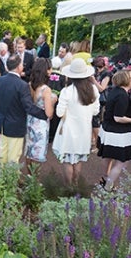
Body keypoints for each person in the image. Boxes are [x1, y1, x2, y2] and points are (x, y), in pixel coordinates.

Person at [0, 54, 48, 164]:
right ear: (19, 67)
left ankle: (0, 177)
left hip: (2, 122)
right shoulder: (22, 85)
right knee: (13, 156)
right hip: (16, 125)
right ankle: (10, 180)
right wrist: (44, 114)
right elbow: (29, 107)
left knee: (2, 153)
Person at [52, 58, 100, 186]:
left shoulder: (67, 91)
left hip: (68, 130)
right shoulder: (93, 90)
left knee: (67, 160)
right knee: (78, 160)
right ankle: (76, 184)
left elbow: (59, 113)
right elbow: (96, 111)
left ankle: (68, 187)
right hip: (84, 130)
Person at [97, 69, 131, 192]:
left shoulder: (115, 91)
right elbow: (118, 118)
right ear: (126, 80)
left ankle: (105, 179)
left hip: (108, 130)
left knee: (108, 157)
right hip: (118, 134)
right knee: (122, 162)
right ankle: (107, 188)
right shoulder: (122, 95)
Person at [24, 58, 56, 166]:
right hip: (40, 124)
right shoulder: (46, 89)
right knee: (38, 153)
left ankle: (29, 176)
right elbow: (49, 113)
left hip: (30, 119)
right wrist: (53, 101)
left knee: (29, 150)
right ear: (46, 70)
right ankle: (34, 180)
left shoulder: (30, 84)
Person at [90, 56, 113, 153]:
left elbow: (102, 88)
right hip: (94, 98)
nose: (98, 70)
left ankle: (98, 145)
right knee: (93, 121)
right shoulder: (96, 73)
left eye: (99, 68)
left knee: (96, 122)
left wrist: (93, 80)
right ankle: (93, 141)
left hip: (102, 99)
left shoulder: (107, 74)